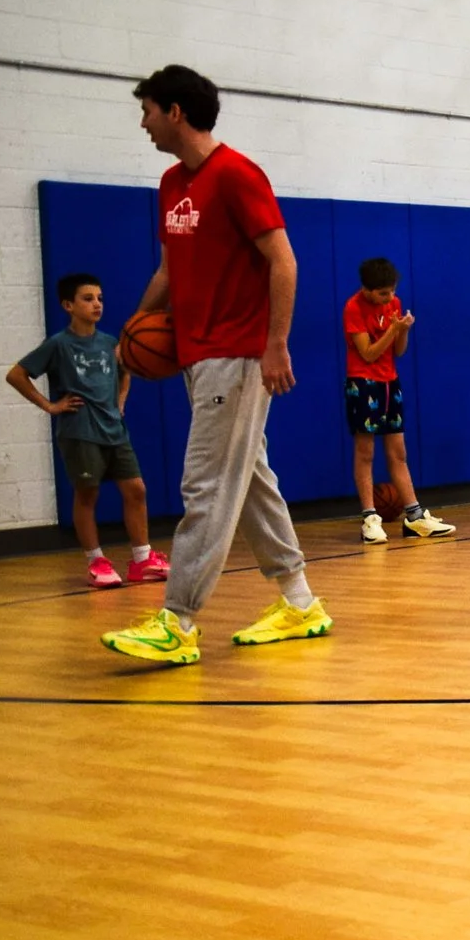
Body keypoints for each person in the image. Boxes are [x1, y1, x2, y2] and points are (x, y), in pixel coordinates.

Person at [102, 65, 330, 665]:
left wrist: (275, 343)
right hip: (195, 354)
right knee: (250, 482)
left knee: (205, 484)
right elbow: (168, 271)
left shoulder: (237, 174)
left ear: (176, 111)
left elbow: (284, 262)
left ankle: (177, 620)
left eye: (147, 109)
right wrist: (131, 329)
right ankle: (300, 601)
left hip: (238, 354)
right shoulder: (172, 183)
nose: (143, 122)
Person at [9, 272, 165, 589]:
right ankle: (96, 561)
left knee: (136, 489)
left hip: (114, 428)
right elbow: (16, 375)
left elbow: (126, 373)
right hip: (79, 429)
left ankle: (142, 559)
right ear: (68, 305)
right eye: (87, 298)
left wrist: (120, 401)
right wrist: (50, 406)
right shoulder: (58, 345)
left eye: (99, 299)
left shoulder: (111, 343)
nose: (96, 304)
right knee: (87, 494)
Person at [344, 256, 454, 542]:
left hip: (390, 382)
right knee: (365, 452)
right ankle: (369, 517)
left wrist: (402, 331)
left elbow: (398, 351)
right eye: (383, 293)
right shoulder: (353, 308)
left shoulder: (393, 304)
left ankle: (414, 516)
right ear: (367, 289)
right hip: (363, 382)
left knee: (398, 453)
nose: (390, 297)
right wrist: (392, 330)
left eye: (392, 291)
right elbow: (368, 353)